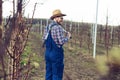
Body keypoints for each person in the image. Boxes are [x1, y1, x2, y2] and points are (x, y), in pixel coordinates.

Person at [42, 9, 71, 80]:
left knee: (48, 73)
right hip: (56, 55)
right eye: (60, 17)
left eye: (62, 17)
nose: (62, 19)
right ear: (55, 18)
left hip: (48, 54)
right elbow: (61, 42)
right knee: (57, 74)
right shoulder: (57, 27)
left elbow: (43, 39)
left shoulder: (48, 27)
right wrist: (68, 37)